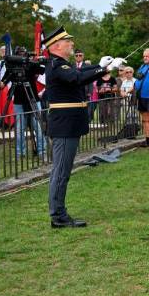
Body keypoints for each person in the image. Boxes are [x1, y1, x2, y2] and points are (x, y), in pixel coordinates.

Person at [44, 26, 110, 228]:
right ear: (56, 46)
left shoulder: (62, 65)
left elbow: (78, 72)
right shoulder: (57, 65)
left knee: (62, 170)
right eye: (68, 41)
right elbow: (77, 77)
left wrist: (101, 66)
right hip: (65, 125)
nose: (72, 44)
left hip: (68, 124)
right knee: (61, 171)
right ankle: (58, 215)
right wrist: (102, 69)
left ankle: (58, 212)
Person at [4, 52, 46, 157]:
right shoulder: (13, 66)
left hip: (33, 99)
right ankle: (20, 153)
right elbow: (3, 81)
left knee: (38, 127)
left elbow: (42, 70)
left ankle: (42, 151)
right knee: (19, 128)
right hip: (19, 102)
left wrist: (36, 62)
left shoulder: (30, 64)